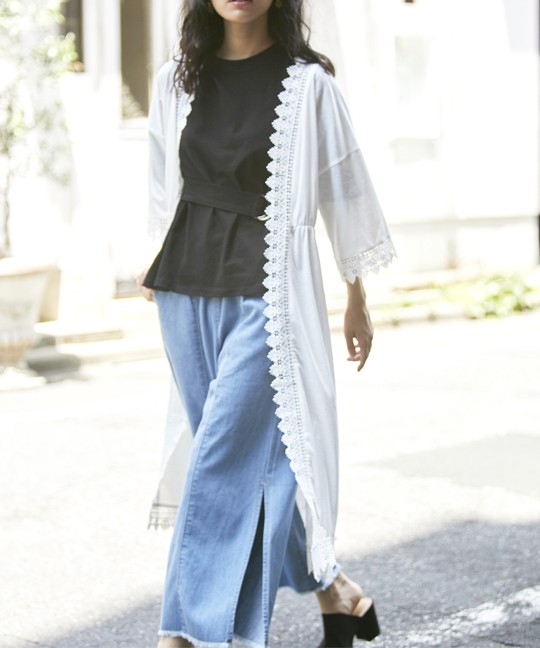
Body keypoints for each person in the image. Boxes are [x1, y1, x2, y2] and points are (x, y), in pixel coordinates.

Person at [138, 1, 396, 646]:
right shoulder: (176, 79)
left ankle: (183, 634)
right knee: (244, 458)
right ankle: (338, 592)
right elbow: (163, 181)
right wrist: (156, 263)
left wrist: (355, 296)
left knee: (220, 459)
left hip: (267, 296)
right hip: (185, 290)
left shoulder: (309, 85)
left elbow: (344, 187)